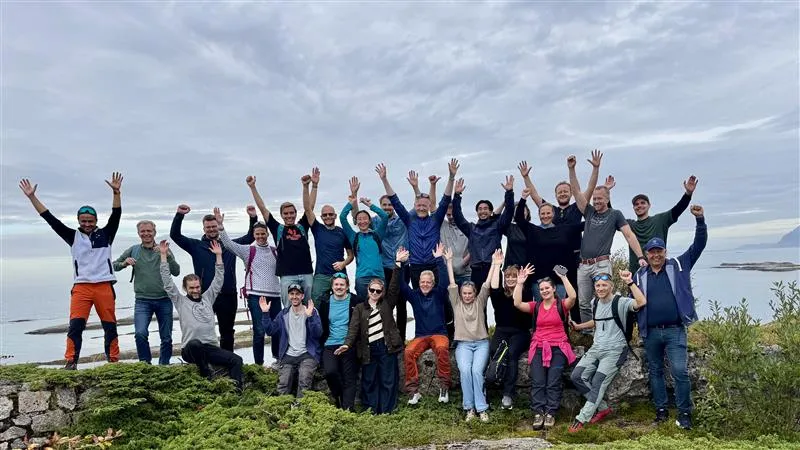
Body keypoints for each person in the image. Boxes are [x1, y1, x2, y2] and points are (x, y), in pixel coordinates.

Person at [19, 174, 123, 370]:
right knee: (75, 326)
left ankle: (113, 362)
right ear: (78, 221)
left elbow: (116, 214)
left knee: (109, 325)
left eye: (90, 221)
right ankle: (71, 362)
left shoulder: (107, 234)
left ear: (96, 220)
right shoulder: (72, 236)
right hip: (82, 288)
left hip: (104, 286)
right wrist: (32, 197)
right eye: (83, 221)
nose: (87, 224)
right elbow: (50, 219)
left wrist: (116, 193)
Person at [635, 204, 707, 430]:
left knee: (679, 371)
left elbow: (698, 246)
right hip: (651, 332)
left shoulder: (678, 265)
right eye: (652, 252)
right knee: (655, 372)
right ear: (647, 254)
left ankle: (685, 413)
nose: (656, 255)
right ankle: (661, 410)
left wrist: (700, 220)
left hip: (675, 330)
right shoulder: (639, 275)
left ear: (665, 252)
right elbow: (633, 302)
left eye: (659, 251)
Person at [567, 154, 646, 325]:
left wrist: (640, 256)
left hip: (601, 264)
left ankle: (608, 328)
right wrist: (571, 169)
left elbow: (629, 235)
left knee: (604, 298)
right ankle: (589, 331)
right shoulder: (588, 212)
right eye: (594, 199)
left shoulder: (615, 214)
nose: (596, 201)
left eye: (599, 199)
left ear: (607, 199)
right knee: (583, 302)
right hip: (584, 264)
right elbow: (576, 191)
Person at [170, 203, 257, 351]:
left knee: (227, 332)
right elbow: (175, 235)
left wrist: (253, 217)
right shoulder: (195, 246)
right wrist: (179, 215)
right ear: (204, 229)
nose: (211, 229)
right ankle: (205, 360)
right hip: (204, 296)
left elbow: (250, 237)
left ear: (219, 226)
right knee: (202, 331)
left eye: (214, 226)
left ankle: (226, 360)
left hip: (228, 294)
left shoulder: (230, 245)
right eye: (208, 227)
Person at [159, 240, 243, 390]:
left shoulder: (208, 298)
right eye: (191, 288)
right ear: (185, 288)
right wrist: (163, 256)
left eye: (197, 287)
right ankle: (206, 373)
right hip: (190, 350)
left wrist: (218, 256)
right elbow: (167, 282)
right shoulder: (180, 301)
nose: (195, 290)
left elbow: (218, 280)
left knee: (237, 360)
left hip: (210, 348)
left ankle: (236, 391)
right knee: (195, 344)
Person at [569, 269, 647, 432]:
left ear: (611, 286)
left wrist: (630, 282)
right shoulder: (595, 303)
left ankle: (581, 419)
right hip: (596, 348)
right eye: (598, 285)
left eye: (604, 285)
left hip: (615, 350)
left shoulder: (621, 302)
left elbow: (641, 302)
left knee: (598, 382)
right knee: (576, 376)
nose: (600, 288)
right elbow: (597, 321)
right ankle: (603, 408)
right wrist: (579, 327)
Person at [375, 159, 458, 289]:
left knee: (438, 297)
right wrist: (384, 179)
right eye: (419, 205)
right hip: (416, 267)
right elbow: (395, 201)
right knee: (418, 297)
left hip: (434, 264)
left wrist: (451, 177)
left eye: (424, 205)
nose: (421, 208)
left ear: (429, 206)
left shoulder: (436, 219)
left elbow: (445, 199)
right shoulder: (409, 220)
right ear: (414, 206)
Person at [513, 264, 577, 430]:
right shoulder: (536, 307)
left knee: (553, 381)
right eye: (541, 289)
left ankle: (550, 413)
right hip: (539, 347)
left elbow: (573, 297)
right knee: (538, 381)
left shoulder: (561, 305)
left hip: (558, 347)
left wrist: (563, 277)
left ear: (554, 289)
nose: (544, 291)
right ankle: (538, 412)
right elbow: (517, 303)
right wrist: (520, 283)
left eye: (547, 288)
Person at [213, 208, 280, 366]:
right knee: (259, 330)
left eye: (263, 233)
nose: (260, 236)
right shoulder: (248, 250)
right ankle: (259, 364)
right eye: (257, 234)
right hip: (255, 295)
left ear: (267, 234)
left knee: (277, 329)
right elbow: (228, 244)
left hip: (275, 295)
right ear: (254, 235)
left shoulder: (275, 251)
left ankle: (278, 359)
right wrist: (221, 227)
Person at [113, 220, 180, 365]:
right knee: (140, 333)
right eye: (143, 231)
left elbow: (176, 271)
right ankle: (145, 364)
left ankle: (164, 366)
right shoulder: (133, 250)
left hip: (164, 299)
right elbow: (113, 266)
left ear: (154, 232)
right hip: (142, 300)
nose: (146, 234)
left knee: (166, 337)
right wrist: (124, 263)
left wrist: (167, 255)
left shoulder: (163, 249)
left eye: (149, 231)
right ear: (138, 233)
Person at [335, 273, 404, 414]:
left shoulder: (387, 304)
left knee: (388, 380)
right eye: (372, 290)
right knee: (369, 380)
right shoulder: (359, 308)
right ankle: (371, 411)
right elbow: (353, 328)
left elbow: (393, 287)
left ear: (382, 292)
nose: (375, 293)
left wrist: (397, 266)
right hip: (368, 349)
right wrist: (347, 344)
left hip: (386, 347)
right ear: (368, 290)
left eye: (378, 291)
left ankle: (386, 411)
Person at [446, 248, 500, 423]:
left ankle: (481, 408)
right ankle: (469, 408)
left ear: (474, 294)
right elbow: (452, 282)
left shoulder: (480, 301)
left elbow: (486, 283)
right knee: (465, 371)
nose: (467, 296)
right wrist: (449, 261)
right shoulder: (456, 303)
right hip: (463, 344)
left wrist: (494, 264)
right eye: (465, 293)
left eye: (470, 293)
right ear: (461, 294)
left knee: (477, 371)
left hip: (481, 343)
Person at [396, 245, 451, 404]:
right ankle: (413, 392)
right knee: (408, 352)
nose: (425, 284)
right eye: (422, 282)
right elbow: (401, 285)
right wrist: (401, 263)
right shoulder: (414, 296)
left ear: (433, 283)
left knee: (441, 348)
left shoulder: (439, 294)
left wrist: (439, 259)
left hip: (439, 334)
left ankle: (444, 387)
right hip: (421, 336)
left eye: (428, 282)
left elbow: (445, 280)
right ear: (418, 282)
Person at [516, 194, 584, 322]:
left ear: (553, 214)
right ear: (539, 215)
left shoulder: (564, 229)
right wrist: (523, 198)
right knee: (542, 311)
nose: (545, 216)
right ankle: (540, 334)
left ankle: (563, 334)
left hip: (559, 278)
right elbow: (519, 218)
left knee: (560, 311)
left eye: (548, 213)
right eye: (542, 213)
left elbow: (587, 223)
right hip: (539, 279)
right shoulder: (533, 230)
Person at [247, 175, 314, 306]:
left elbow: (309, 208)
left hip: (306, 273)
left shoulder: (302, 226)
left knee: (308, 308)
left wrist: (307, 186)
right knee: (288, 309)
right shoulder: (277, 228)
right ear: (282, 215)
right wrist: (253, 187)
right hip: (287, 275)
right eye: (286, 213)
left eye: (291, 213)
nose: (289, 216)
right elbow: (263, 209)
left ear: (295, 213)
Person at [260, 285, 322, 399]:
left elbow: (317, 334)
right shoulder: (283, 314)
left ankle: (300, 407)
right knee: (283, 383)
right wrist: (265, 313)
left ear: (302, 296)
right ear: (288, 296)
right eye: (292, 294)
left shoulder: (311, 311)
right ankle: (283, 406)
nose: (294, 297)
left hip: (307, 354)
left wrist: (310, 317)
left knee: (304, 379)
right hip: (288, 355)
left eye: (297, 294)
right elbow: (270, 331)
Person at [625, 176, 698, 273]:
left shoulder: (660, 220)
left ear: (649, 205)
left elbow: (678, 209)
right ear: (633, 208)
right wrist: (606, 192)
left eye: (643, 203)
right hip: (636, 273)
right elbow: (612, 216)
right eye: (636, 204)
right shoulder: (629, 225)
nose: (639, 206)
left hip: (659, 272)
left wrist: (688, 194)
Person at [451, 176, 515, 286]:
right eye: (480, 209)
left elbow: (509, 212)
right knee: (477, 298)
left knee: (496, 297)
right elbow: (457, 216)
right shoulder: (471, 229)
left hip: (493, 269)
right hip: (476, 271)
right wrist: (457, 195)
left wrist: (509, 192)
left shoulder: (498, 226)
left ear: (490, 212)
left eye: (485, 209)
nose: (482, 211)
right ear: (477, 212)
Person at [302, 167, 355, 300]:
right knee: (316, 304)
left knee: (343, 305)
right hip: (321, 275)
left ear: (335, 216)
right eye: (325, 215)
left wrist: (343, 263)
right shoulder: (317, 228)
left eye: (330, 214)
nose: (328, 217)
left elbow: (351, 255)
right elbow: (308, 209)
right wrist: (312, 186)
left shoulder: (341, 232)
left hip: (340, 275)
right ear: (321, 217)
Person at [487, 261, 531, 410]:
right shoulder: (500, 295)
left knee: (512, 353)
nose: (510, 279)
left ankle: (508, 394)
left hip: (520, 332)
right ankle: (494, 383)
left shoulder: (525, 293)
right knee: (495, 350)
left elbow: (517, 301)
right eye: (508, 276)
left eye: (514, 276)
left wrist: (520, 283)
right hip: (502, 330)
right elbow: (494, 287)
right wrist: (496, 265)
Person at [317, 273, 364, 411]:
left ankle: (348, 409)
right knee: (330, 372)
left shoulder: (356, 301)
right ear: (332, 287)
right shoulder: (325, 302)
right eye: (336, 284)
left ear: (347, 286)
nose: (339, 287)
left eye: (342, 284)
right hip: (330, 344)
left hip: (349, 344)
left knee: (349, 378)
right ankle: (338, 396)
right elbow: (320, 325)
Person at [340, 178, 389, 298]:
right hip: (362, 278)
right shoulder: (354, 237)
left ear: (370, 220)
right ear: (356, 222)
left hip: (379, 277)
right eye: (359, 219)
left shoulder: (377, 235)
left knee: (379, 306)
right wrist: (351, 203)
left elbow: (384, 216)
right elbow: (342, 217)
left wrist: (369, 205)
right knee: (363, 306)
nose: (362, 221)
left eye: (365, 218)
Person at [440, 204, 472, 286]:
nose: (451, 217)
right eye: (448, 215)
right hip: (448, 274)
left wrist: (463, 262)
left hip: (465, 274)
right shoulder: (442, 225)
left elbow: (476, 246)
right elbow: (432, 206)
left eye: (453, 214)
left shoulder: (468, 227)